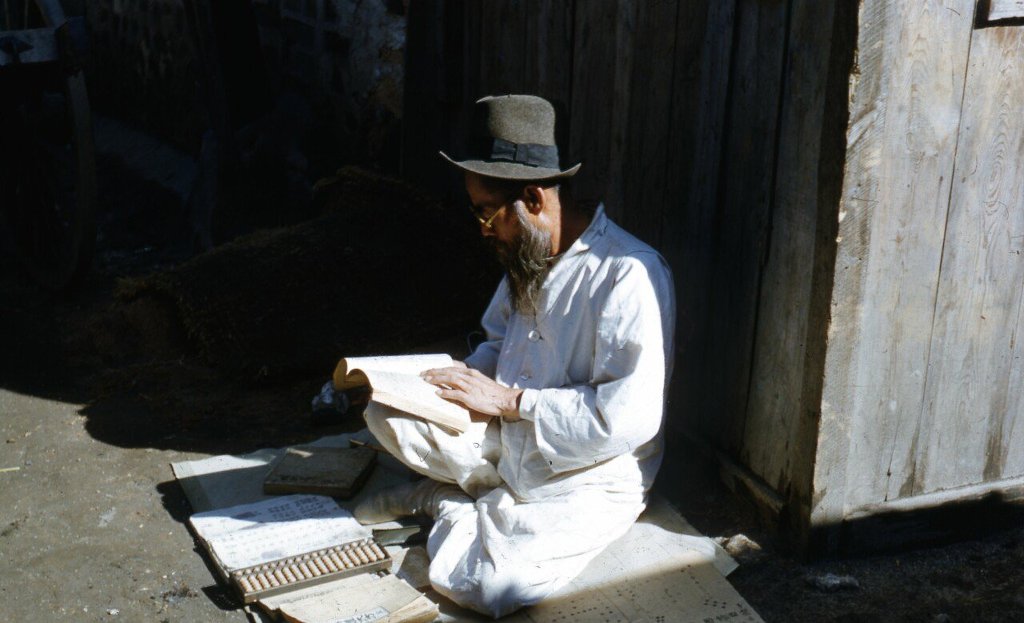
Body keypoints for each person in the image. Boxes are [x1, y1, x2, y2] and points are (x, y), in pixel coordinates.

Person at [353, 94, 676, 618]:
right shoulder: (527, 253)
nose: (482, 229)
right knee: (385, 412)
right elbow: (498, 341)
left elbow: (627, 419)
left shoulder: (628, 274)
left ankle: (445, 502)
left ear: (531, 198)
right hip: (510, 435)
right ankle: (479, 494)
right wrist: (448, 381)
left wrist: (512, 401)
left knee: (493, 586)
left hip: (590, 472)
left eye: (486, 212)